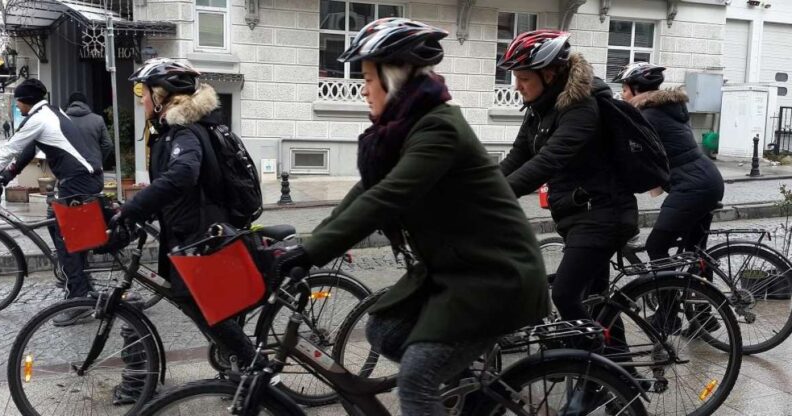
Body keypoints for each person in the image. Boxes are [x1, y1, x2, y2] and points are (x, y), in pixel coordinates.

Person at [273, 18, 549, 415]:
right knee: (384, 330)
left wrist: (310, 252)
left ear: (393, 79)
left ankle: (452, 390)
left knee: (417, 381)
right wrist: (309, 243)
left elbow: (388, 196)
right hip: (459, 270)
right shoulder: (406, 128)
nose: (363, 89)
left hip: (495, 276)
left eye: (368, 78)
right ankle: (469, 392)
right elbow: (368, 191)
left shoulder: (439, 129)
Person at [114, 58, 255, 370]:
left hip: (202, 236)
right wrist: (144, 211)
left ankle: (255, 367)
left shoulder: (184, 132)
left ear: (161, 96)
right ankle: (237, 361)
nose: (141, 99)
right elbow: (177, 189)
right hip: (196, 232)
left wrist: (134, 207)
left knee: (200, 305)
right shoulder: (176, 130)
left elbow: (182, 175)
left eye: (143, 92)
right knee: (209, 307)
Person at [497, 30, 638, 342]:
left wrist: (497, 196)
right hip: (580, 214)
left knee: (565, 295)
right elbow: (518, 156)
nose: (517, 86)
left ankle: (594, 364)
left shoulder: (582, 107)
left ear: (549, 74)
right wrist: (478, 188)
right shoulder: (541, 107)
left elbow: (548, 161)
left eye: (523, 78)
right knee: (595, 300)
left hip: (603, 215)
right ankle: (616, 364)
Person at [615, 62, 724, 332]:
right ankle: (703, 316)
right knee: (694, 252)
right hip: (707, 180)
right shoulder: (664, 109)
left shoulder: (648, 115)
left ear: (636, 89)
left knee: (657, 246)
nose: (622, 95)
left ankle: (668, 315)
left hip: (692, 185)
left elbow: (632, 154)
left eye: (624, 90)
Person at [0, 79, 104, 325]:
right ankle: (81, 281)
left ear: (26, 100)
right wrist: (8, 175)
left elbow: (10, 149)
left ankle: (78, 298)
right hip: (82, 179)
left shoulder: (39, 118)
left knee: (67, 237)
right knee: (56, 224)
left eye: (18, 100)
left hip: (78, 181)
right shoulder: (51, 111)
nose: (17, 105)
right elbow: (29, 150)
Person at [65, 92, 114, 163]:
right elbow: (108, 144)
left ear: (69, 104)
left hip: (71, 165)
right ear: (85, 104)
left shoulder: (62, 119)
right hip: (94, 164)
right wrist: (98, 159)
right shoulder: (98, 119)